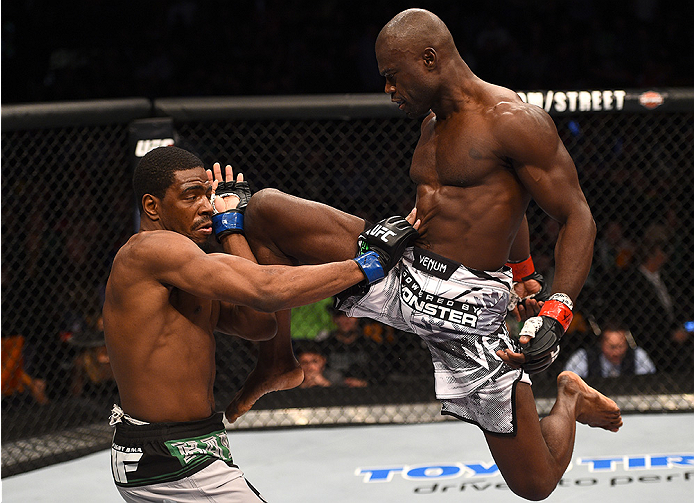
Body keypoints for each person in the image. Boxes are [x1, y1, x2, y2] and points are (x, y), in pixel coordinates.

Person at [228, 9, 622, 501]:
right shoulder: (431, 125)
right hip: (404, 271)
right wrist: (518, 270)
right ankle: (277, 360)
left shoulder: (512, 121)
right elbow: (476, 206)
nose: (389, 91)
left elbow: (577, 216)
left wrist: (554, 307)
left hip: (469, 308)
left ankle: (568, 398)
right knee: (265, 210)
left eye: (393, 77)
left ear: (430, 59)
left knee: (535, 483)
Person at [102, 146, 418, 502]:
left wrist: (231, 228)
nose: (207, 206)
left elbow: (260, 322)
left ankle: (277, 364)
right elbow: (266, 289)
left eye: (208, 195)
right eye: (191, 197)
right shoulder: (153, 249)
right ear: (152, 207)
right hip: (172, 457)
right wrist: (368, 263)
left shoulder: (186, 267)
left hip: (174, 451)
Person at [564, 320, 656, 378]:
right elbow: (567, 382)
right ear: (601, 345)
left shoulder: (637, 355)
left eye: (621, 346)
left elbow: (650, 381)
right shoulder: (584, 357)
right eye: (612, 347)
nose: (616, 352)